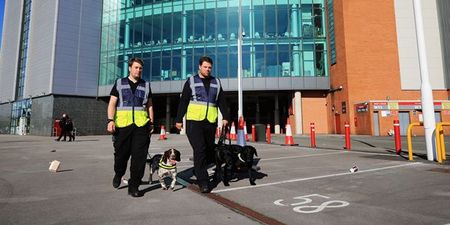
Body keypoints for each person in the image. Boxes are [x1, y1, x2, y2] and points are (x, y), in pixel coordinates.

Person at [175, 56, 229, 193]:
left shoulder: (216, 82)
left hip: (210, 121)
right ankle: (203, 181)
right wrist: (179, 119)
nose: (208, 69)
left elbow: (221, 100)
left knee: (208, 150)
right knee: (199, 149)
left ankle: (198, 169)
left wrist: (225, 117)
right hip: (194, 122)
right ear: (199, 67)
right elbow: (184, 101)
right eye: (205, 67)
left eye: (210, 67)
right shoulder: (191, 81)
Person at [107, 57, 154, 197]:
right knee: (121, 157)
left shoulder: (146, 85)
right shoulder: (120, 83)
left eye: (140, 68)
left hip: (141, 126)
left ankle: (134, 186)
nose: (138, 70)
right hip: (123, 126)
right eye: (136, 67)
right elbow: (112, 104)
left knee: (139, 158)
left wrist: (151, 122)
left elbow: (149, 105)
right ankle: (119, 173)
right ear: (129, 68)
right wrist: (110, 120)